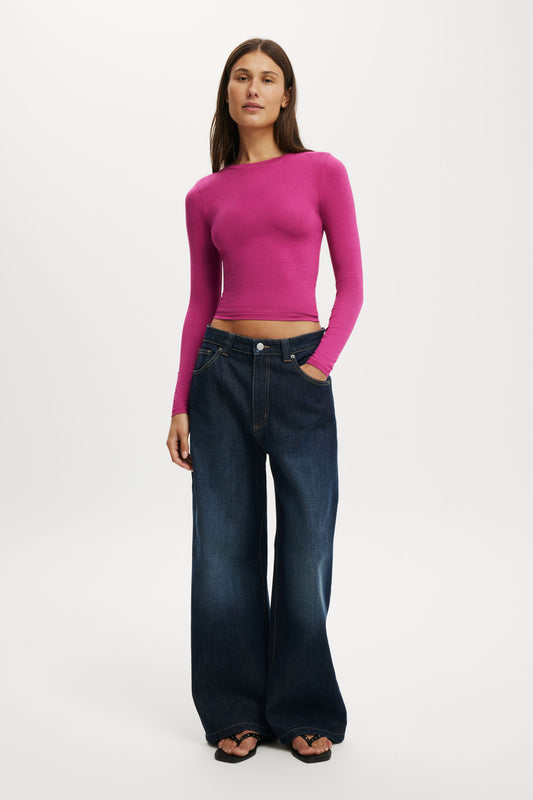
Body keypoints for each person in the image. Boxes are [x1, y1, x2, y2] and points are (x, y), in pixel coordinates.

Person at [166, 37, 363, 764]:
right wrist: (180, 401)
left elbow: (352, 287)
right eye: (241, 77)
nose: (253, 88)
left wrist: (317, 368)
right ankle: (233, 707)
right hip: (219, 373)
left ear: (286, 96)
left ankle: (303, 706)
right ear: (228, 94)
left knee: (307, 545)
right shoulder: (204, 194)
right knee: (223, 548)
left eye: (267, 78)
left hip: (298, 373)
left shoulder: (322, 171)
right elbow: (200, 301)